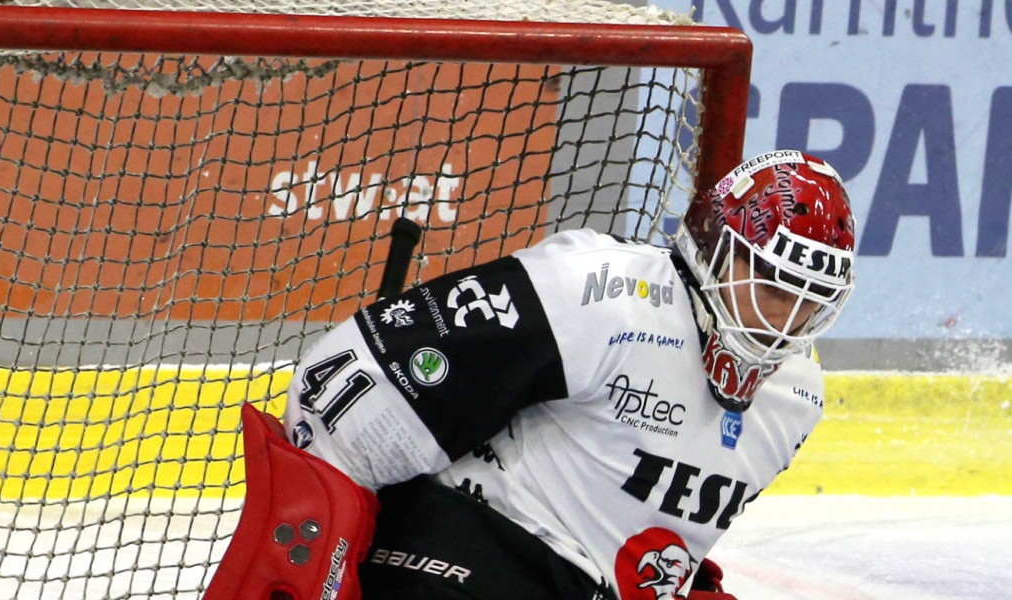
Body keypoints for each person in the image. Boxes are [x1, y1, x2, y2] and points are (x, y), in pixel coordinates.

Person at [206, 150, 857, 600]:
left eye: (813, 298)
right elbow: (346, 379)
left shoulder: (797, 398)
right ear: (713, 248)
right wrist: (324, 539)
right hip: (471, 551)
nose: (789, 316)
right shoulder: (605, 293)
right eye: (774, 284)